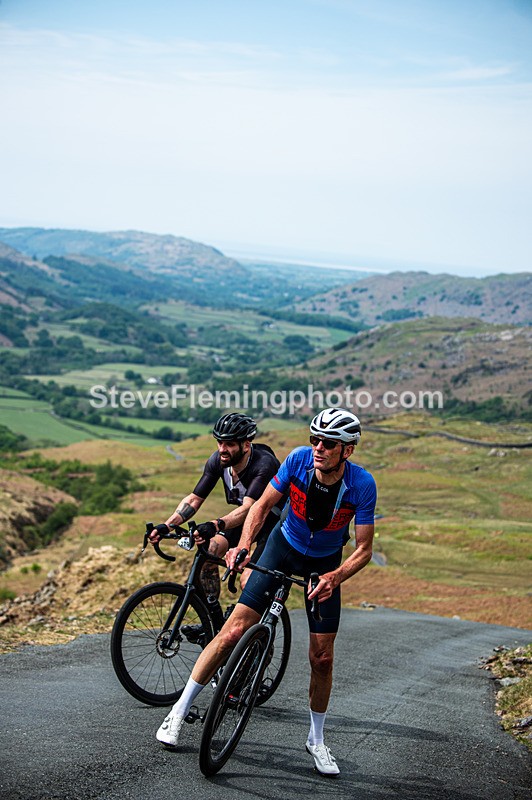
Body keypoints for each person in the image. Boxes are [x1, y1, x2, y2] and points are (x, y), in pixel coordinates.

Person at [156, 407, 377, 778]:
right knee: (233, 630)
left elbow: (365, 549)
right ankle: (178, 711)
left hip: (324, 563)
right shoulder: (297, 460)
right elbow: (262, 506)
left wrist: (334, 577)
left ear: (347, 450)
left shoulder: (362, 484)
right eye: (315, 440)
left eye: (329, 443)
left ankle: (317, 739)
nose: (319, 448)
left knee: (322, 657)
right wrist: (243, 545)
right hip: (283, 545)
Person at [148, 412, 283, 631]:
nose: (222, 449)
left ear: (246, 445)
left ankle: (254, 636)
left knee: (248, 580)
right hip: (243, 522)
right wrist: (167, 524)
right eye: (219, 442)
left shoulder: (263, 464)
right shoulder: (219, 461)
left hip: (272, 525)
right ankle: (213, 622)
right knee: (209, 554)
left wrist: (215, 524)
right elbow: (194, 498)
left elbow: (250, 508)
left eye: (229, 444)